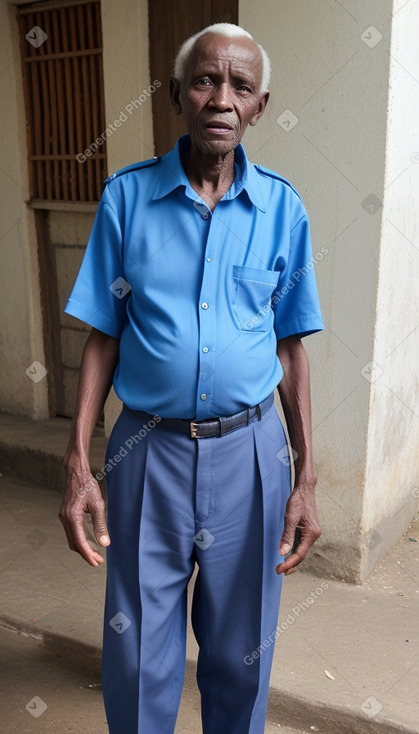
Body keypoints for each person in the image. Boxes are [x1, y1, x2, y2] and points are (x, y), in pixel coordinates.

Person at [59, 22, 324, 734]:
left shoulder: (282, 209)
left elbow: (291, 347)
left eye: (239, 86)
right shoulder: (127, 200)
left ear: (258, 107)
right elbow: (102, 335)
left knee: (241, 653)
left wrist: (303, 477)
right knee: (139, 650)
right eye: (206, 81)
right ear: (178, 94)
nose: (221, 98)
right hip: (147, 451)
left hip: (253, 456)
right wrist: (79, 463)